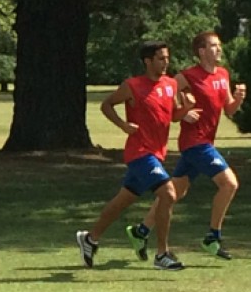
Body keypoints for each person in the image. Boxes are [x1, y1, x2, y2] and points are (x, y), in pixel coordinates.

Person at [76, 41, 194, 270]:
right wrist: (123, 124)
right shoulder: (132, 85)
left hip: (157, 153)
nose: (165, 62)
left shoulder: (171, 85)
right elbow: (107, 104)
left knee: (123, 201)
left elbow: (172, 116)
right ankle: (162, 255)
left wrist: (185, 108)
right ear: (147, 61)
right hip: (140, 152)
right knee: (168, 194)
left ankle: (90, 238)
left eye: (167, 58)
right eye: (160, 58)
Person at [129, 31, 246, 260]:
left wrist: (238, 98)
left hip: (204, 143)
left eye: (219, 45)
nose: (219, 49)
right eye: (214, 46)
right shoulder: (188, 76)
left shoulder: (223, 75)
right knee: (230, 184)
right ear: (201, 51)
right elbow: (165, 96)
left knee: (175, 193)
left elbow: (229, 109)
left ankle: (140, 231)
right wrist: (183, 112)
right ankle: (212, 236)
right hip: (195, 143)